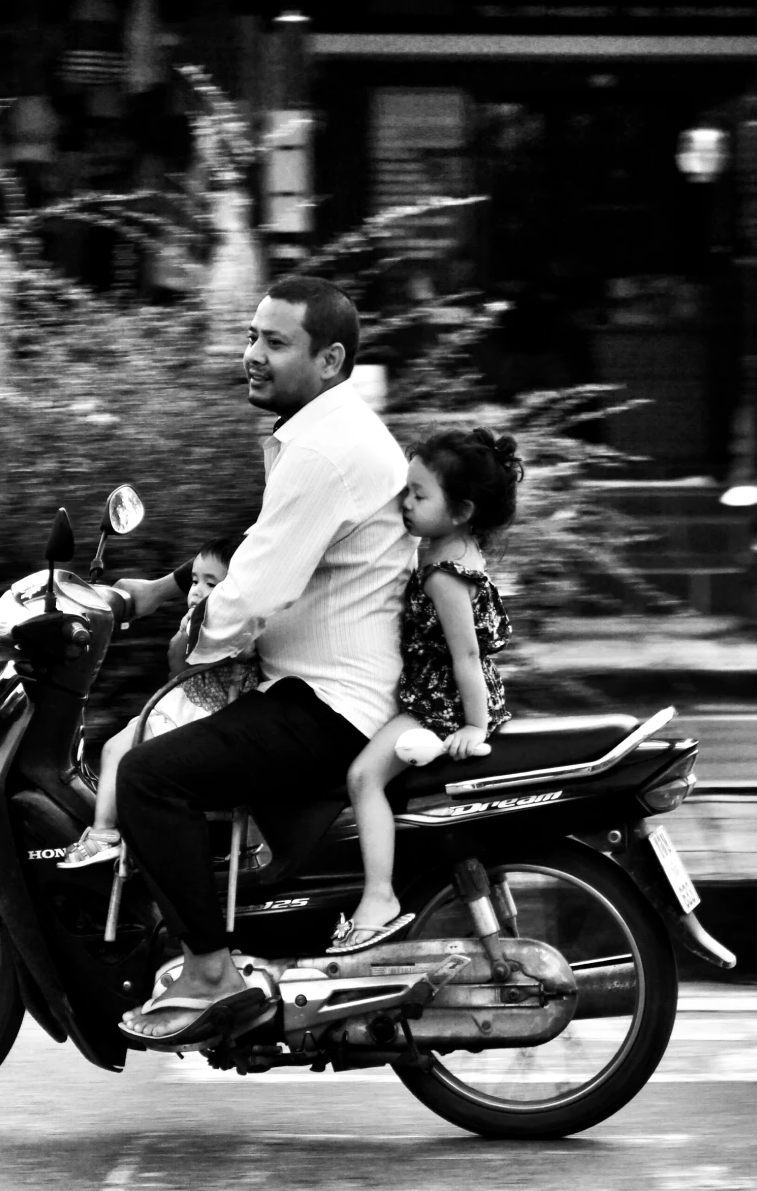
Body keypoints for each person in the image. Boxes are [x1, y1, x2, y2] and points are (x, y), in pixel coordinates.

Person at [107, 276, 411, 1048]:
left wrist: (191, 648)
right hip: (328, 686)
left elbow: (258, 587)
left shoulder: (321, 447)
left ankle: (210, 973)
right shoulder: (325, 431)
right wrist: (159, 589)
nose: (251, 355)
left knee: (147, 776)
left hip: (330, 703)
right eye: (251, 336)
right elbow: (265, 538)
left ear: (332, 358)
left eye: (275, 343)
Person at [331, 428, 525, 954]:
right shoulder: (450, 545)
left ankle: (378, 897)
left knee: (362, 777)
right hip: (435, 694)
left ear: (461, 510)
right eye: (406, 490)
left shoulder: (442, 571)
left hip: (439, 705)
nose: (406, 504)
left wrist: (473, 725)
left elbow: (466, 656)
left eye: (419, 495)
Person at [59, 532, 255, 870]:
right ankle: (123, 833)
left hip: (203, 718)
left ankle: (104, 833)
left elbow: (224, 653)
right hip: (182, 705)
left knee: (116, 752)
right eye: (194, 580)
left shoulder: (238, 627)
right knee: (116, 748)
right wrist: (182, 638)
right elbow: (177, 669)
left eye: (211, 583)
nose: (196, 590)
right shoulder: (196, 622)